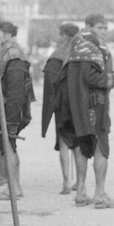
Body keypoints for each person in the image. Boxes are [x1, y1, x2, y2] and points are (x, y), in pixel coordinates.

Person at [56, 13, 114, 209]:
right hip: (97, 107)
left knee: (82, 148)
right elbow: (95, 79)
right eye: (101, 28)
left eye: (106, 28)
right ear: (89, 27)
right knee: (101, 149)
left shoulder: (73, 50)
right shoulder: (99, 50)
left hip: (76, 109)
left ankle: (81, 192)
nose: (104, 32)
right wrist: (110, 79)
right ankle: (100, 194)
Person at [0, 20, 34, 201]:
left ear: (7, 36)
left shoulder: (13, 54)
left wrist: (10, 116)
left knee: (8, 146)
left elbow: (16, 89)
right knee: (9, 147)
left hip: (11, 109)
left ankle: (14, 188)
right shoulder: (6, 52)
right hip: (7, 108)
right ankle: (15, 186)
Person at [42, 23, 79, 195]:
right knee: (78, 143)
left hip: (62, 105)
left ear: (64, 36)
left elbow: (50, 84)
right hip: (79, 105)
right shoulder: (80, 54)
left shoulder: (56, 57)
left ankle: (66, 183)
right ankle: (80, 181)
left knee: (64, 143)